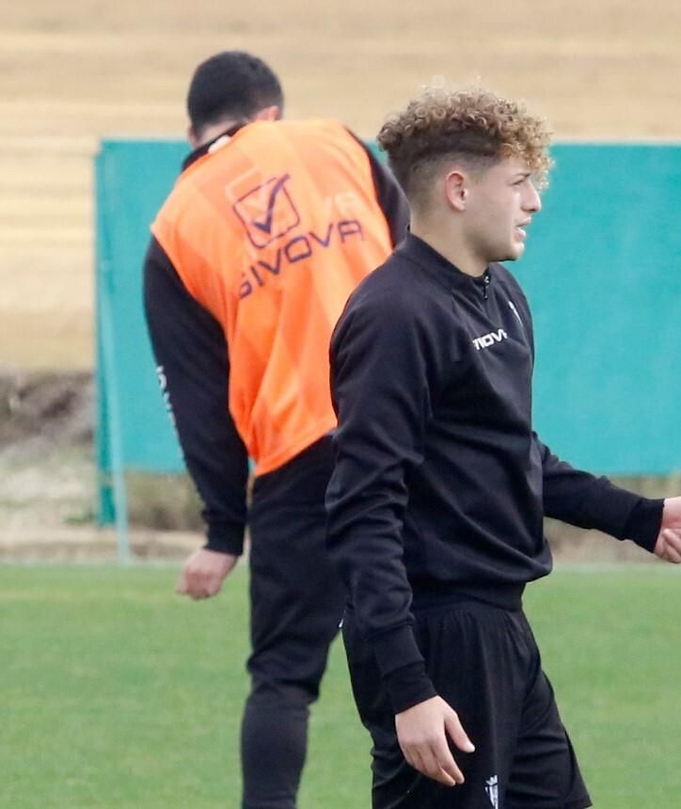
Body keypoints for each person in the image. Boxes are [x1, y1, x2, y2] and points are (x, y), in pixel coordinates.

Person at [325, 85, 681, 809]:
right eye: (518, 182)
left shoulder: (501, 295)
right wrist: (409, 686)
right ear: (457, 188)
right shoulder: (394, 316)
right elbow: (362, 510)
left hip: (503, 627)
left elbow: (513, 454)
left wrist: (636, 515)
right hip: (437, 635)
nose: (535, 201)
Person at [143, 50, 407, 808]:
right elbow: (425, 267)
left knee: (285, 678)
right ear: (269, 114)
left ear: (193, 131)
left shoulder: (175, 226)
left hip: (301, 458)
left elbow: (196, 399)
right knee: (434, 645)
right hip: (411, 429)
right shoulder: (337, 142)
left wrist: (225, 528)